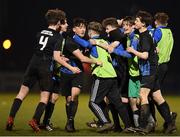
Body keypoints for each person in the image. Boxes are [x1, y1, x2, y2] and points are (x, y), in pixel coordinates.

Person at [5, 9, 81, 132]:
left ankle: (10, 119)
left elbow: (45, 49)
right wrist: (71, 67)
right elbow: (55, 56)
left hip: (33, 63)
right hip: (45, 66)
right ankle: (34, 120)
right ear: (58, 23)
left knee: (21, 93)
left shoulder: (39, 33)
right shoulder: (58, 37)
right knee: (45, 97)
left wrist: (59, 57)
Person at [73, 21, 135, 133]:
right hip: (112, 75)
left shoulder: (92, 41)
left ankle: (106, 122)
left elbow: (86, 45)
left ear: (90, 32)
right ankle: (128, 126)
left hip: (102, 75)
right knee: (118, 103)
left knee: (93, 102)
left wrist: (73, 36)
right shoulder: (104, 41)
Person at [127, 10, 177, 134]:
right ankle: (170, 123)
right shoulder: (148, 35)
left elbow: (144, 55)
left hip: (149, 70)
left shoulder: (145, 37)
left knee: (142, 96)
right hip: (154, 69)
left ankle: (144, 126)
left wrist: (132, 51)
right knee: (157, 96)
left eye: (137, 21)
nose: (135, 22)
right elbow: (153, 49)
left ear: (143, 24)